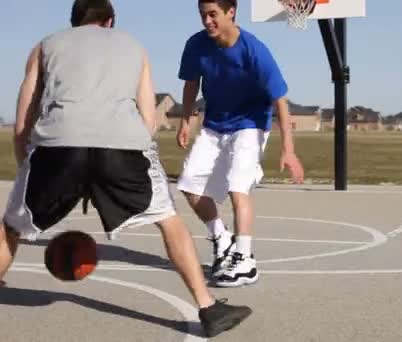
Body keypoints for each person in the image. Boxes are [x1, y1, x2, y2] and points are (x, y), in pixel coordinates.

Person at [0, 0, 250, 337]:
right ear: (110, 20)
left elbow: (24, 118)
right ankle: (208, 308)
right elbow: (148, 120)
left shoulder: (45, 46)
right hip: (124, 147)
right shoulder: (133, 46)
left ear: (73, 23)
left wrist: (26, 168)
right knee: (169, 222)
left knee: (11, 228)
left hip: (58, 145)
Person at [176, 0, 305, 287]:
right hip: (214, 124)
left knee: (238, 187)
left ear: (230, 11)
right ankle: (222, 239)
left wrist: (288, 149)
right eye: (203, 15)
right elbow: (190, 84)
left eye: (213, 14)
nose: (207, 21)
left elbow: (280, 100)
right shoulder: (196, 44)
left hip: (250, 123)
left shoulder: (253, 49)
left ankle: (245, 260)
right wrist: (186, 120)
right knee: (188, 185)